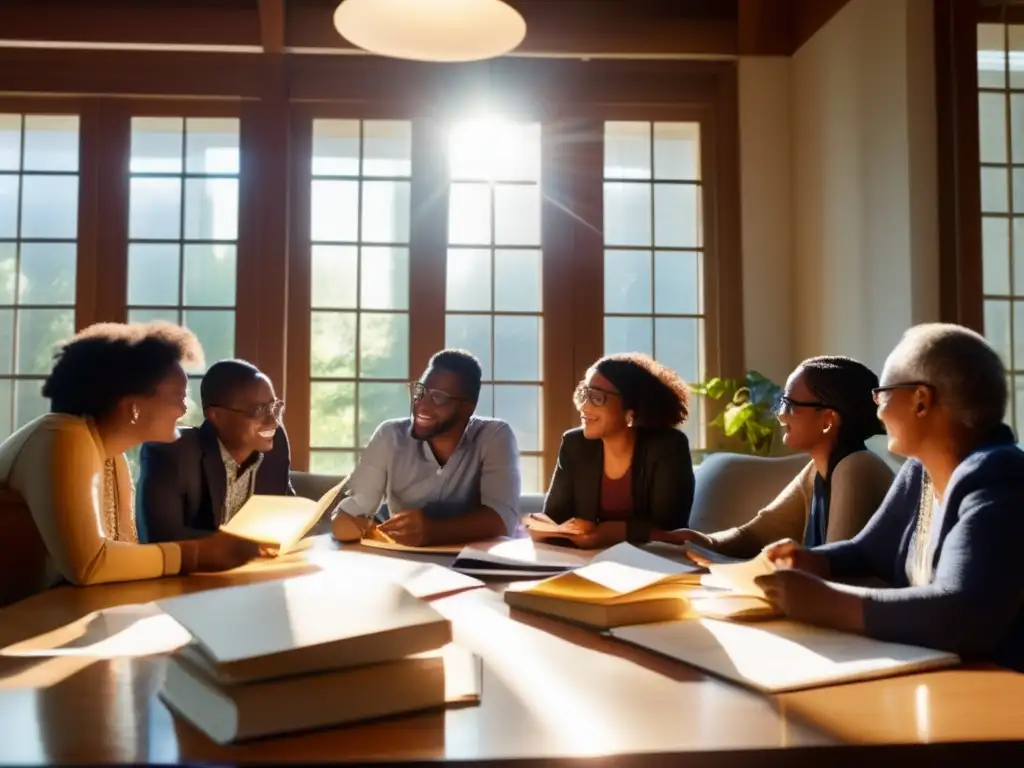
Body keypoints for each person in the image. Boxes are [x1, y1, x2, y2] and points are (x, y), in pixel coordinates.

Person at [754, 324, 1024, 670]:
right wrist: (815, 561)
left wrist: (828, 603)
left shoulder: (1001, 477)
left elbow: (964, 614)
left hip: (997, 691)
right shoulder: (920, 470)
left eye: (882, 394)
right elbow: (868, 550)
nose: (878, 410)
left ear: (921, 401)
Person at [0, 322, 264, 607]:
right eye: (178, 396)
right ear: (134, 407)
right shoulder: (62, 434)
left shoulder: (113, 458)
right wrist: (198, 554)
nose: (185, 409)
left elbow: (122, 560)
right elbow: (91, 565)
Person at [655, 357, 894, 557]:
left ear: (828, 421)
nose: (780, 415)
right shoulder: (818, 470)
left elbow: (836, 566)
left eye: (790, 404)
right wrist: (700, 541)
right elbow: (756, 535)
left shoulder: (857, 467)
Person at [330, 349, 521, 547]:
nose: (421, 405)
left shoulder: (495, 436)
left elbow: (502, 520)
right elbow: (351, 511)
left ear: (468, 408)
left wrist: (432, 531)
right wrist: (348, 524)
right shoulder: (389, 436)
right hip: (405, 564)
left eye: (438, 397)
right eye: (420, 391)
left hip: (474, 566)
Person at [540, 353, 694, 549]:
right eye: (584, 394)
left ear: (631, 411)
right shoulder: (574, 444)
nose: (583, 406)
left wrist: (609, 532)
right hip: (585, 563)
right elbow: (554, 520)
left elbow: (670, 528)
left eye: (596, 397)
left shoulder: (669, 447)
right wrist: (539, 526)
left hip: (657, 562)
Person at [136, 359, 294, 543]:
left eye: (274, 408)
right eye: (259, 409)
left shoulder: (274, 444)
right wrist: (243, 546)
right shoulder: (170, 452)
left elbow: (287, 513)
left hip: (259, 569)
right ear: (216, 416)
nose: (273, 422)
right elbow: (161, 538)